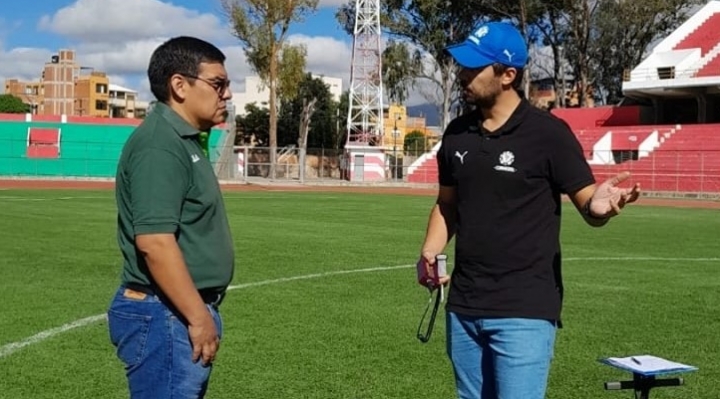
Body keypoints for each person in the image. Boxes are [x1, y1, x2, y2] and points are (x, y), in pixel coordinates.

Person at [417, 22, 640, 399]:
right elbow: (447, 204)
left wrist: (599, 206)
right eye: (462, 65)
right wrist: (429, 250)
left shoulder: (548, 134)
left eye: (474, 67)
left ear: (508, 75)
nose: (462, 74)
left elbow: (588, 203)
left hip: (525, 309)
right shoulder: (456, 133)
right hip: (465, 305)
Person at [107, 36, 235, 399]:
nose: (226, 94)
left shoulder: (183, 140)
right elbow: (155, 243)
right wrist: (198, 317)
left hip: (173, 311)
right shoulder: (160, 144)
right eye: (218, 84)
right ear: (179, 85)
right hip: (164, 313)